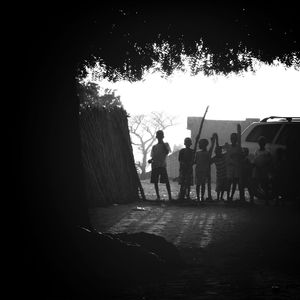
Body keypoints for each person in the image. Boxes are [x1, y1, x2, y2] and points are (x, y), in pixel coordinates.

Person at [148, 130, 172, 201]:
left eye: (160, 135)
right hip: (155, 165)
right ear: (156, 137)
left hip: (162, 165)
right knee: (155, 182)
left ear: (163, 136)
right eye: (158, 135)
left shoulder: (166, 144)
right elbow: (153, 157)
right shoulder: (154, 147)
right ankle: (158, 196)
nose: (159, 137)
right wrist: (150, 160)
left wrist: (163, 143)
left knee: (166, 181)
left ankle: (170, 197)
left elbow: (167, 152)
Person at [194, 135, 216, 202]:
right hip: (199, 171)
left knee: (202, 185)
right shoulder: (198, 153)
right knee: (199, 185)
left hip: (203, 171)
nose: (199, 145)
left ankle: (201, 197)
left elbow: (211, 149)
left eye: (200, 144)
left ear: (204, 145)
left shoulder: (206, 153)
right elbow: (195, 161)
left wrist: (212, 143)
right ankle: (199, 197)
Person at [253, 135, 272, 205]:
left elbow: (269, 162)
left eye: (262, 142)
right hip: (258, 170)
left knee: (265, 185)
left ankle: (266, 200)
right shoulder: (257, 151)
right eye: (260, 142)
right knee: (258, 184)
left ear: (264, 143)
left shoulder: (267, 152)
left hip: (264, 170)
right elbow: (255, 161)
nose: (261, 144)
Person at [225, 132, 243, 201]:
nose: (233, 139)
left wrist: (236, 155)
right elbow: (219, 148)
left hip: (236, 167)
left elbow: (241, 156)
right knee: (229, 183)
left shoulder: (239, 147)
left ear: (236, 139)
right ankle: (228, 196)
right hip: (230, 167)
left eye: (234, 138)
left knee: (235, 183)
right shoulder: (228, 146)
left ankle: (231, 196)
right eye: (232, 138)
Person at [210, 134, 227, 201]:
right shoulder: (215, 158)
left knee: (222, 187)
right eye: (217, 152)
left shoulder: (223, 155)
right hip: (219, 174)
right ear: (215, 152)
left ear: (220, 152)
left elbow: (218, 147)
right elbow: (209, 162)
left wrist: (216, 140)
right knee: (219, 187)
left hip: (224, 174)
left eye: (219, 151)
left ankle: (221, 197)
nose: (218, 152)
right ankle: (218, 197)